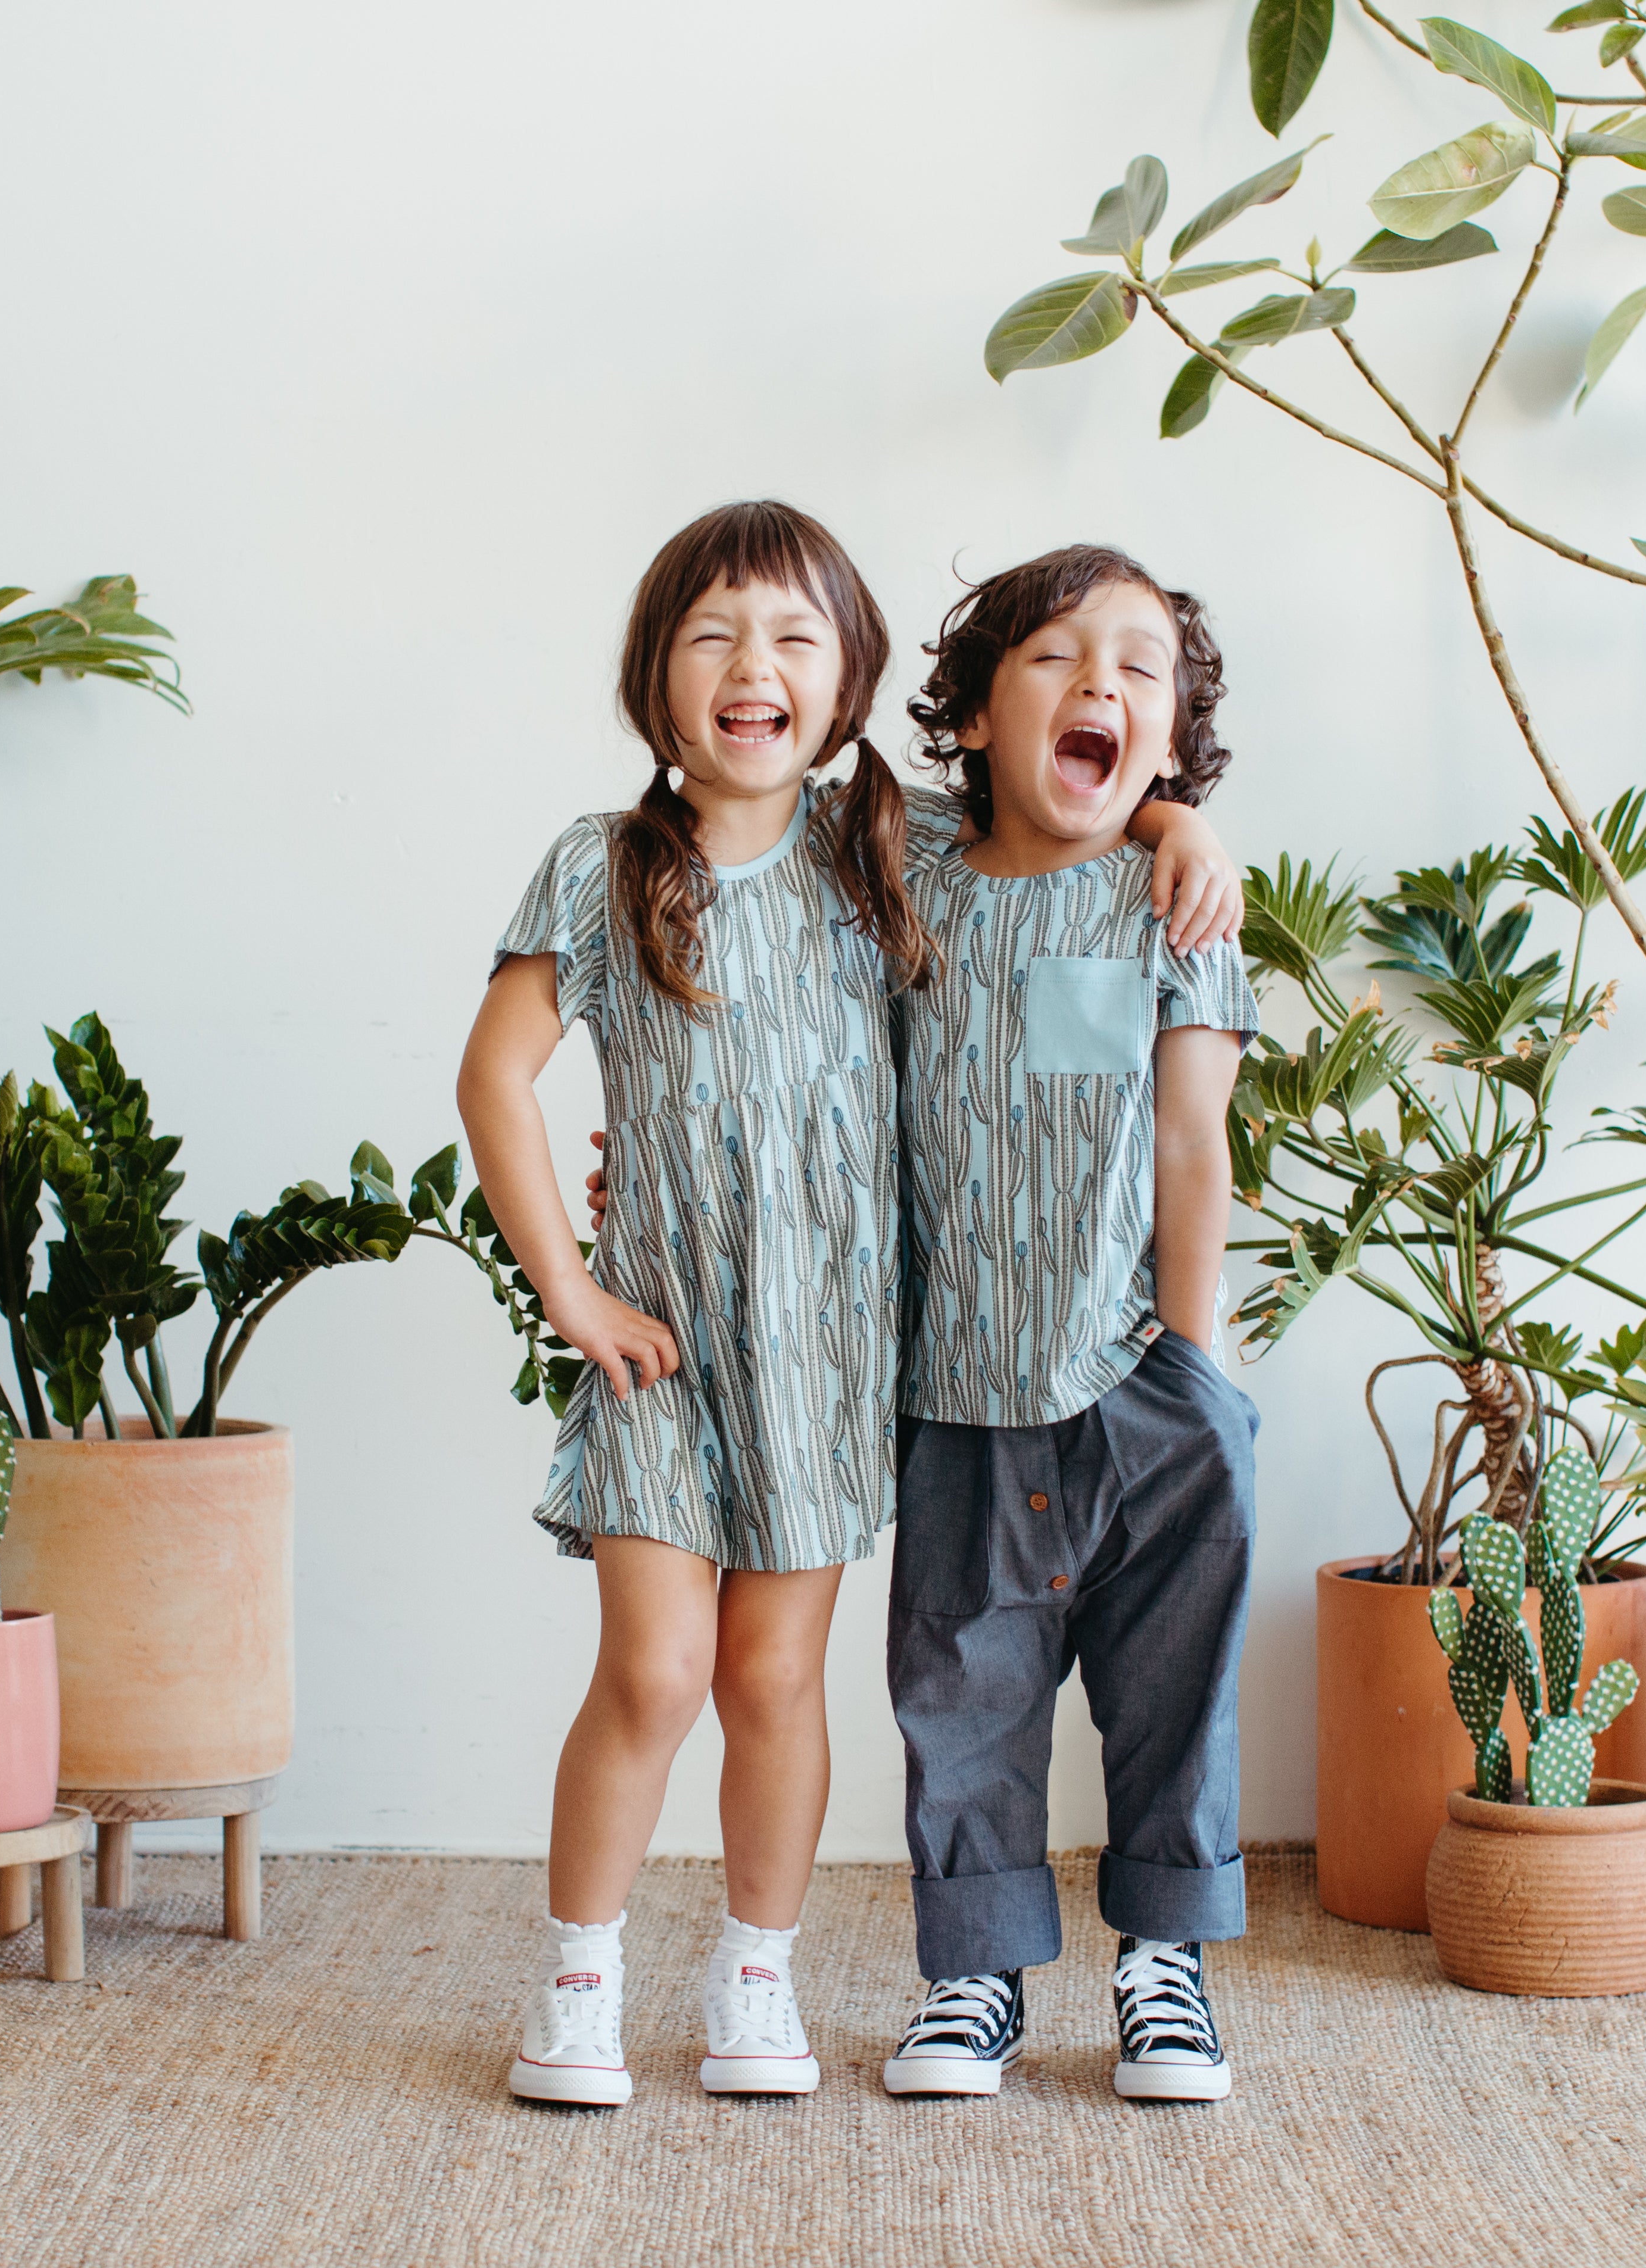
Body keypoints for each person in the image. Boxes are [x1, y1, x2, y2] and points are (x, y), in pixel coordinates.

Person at [456, 502, 1243, 2108]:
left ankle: (782, 1977)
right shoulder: (693, 860)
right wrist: (576, 1287)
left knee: (794, 1679)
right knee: (682, 1671)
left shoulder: (887, 845)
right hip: (724, 1354)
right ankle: (596, 1977)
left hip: (889, 1363)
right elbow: (502, 1076)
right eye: (716, 637)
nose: (756, 667)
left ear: (852, 680)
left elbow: (1081, 894)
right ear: (653, 675)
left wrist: (1173, 821)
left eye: (797, 639)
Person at [873, 544, 1260, 2105]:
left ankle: (1164, 1965)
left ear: (1169, 739)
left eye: (1139, 669)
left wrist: (1195, 1374)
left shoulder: (1171, 904)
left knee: (1172, 1684)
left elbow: (1191, 1148)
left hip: (1143, 1385)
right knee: (960, 1683)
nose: (1100, 681)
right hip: (960, 1387)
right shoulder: (899, 871)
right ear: (970, 717)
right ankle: (973, 1976)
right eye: (1054, 657)